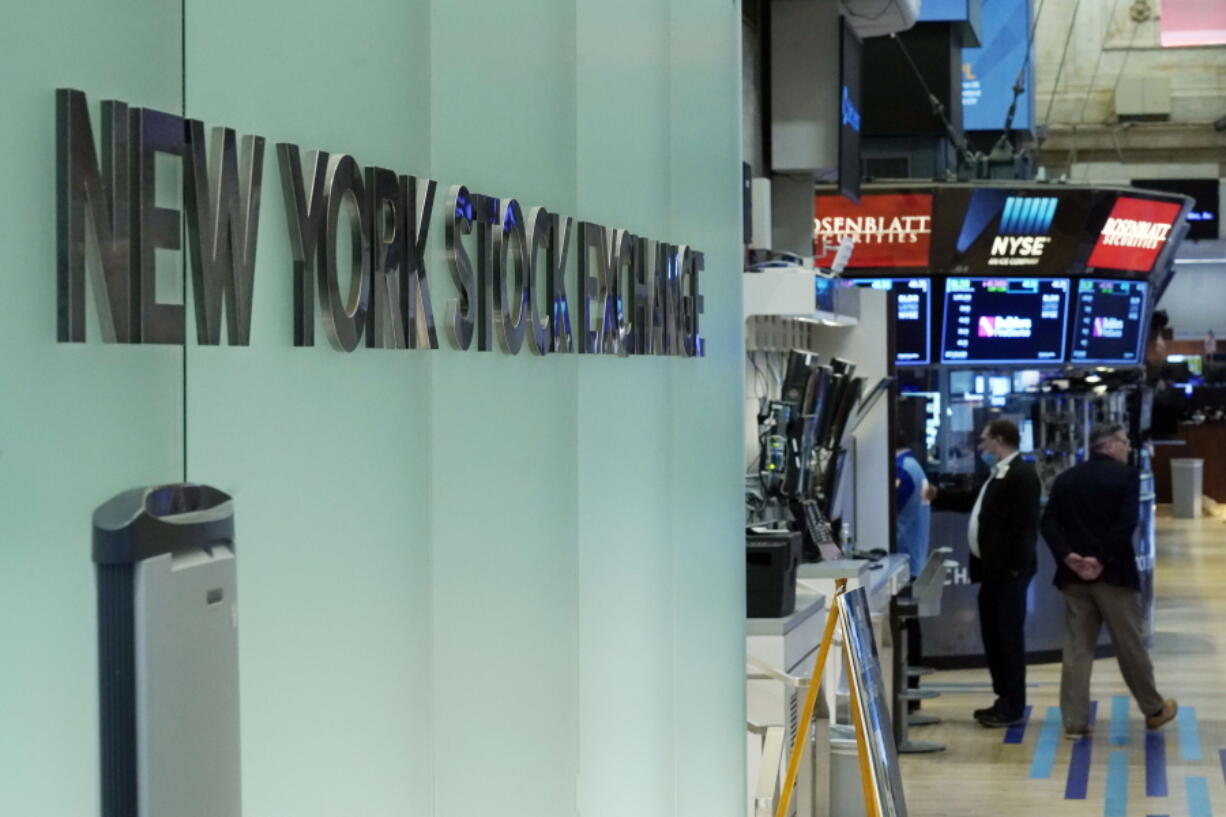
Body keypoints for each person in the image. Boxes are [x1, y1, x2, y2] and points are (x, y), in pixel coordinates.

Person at [1040, 423, 1177, 739]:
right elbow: (1125, 523)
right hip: (1114, 576)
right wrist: (1100, 559)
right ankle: (1154, 709)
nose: (1129, 448)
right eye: (1125, 442)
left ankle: (1074, 722)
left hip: (1074, 578)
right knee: (1130, 646)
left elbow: (1048, 524)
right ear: (1111, 445)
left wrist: (1070, 557)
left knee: (1077, 650)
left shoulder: (1066, 479)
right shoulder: (1127, 478)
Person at [933, 418, 1041, 728]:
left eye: (985, 441)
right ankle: (1002, 698)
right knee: (994, 637)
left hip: (1008, 574)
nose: (982, 447)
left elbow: (1025, 528)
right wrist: (938, 496)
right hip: (992, 573)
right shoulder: (998, 474)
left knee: (1008, 639)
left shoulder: (1022, 475)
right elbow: (975, 505)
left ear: (999, 440)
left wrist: (1013, 568)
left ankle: (1013, 705)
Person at [895, 427, 932, 579]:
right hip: (913, 557)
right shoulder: (912, 465)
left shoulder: (902, 469)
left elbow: (888, 511)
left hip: (904, 560)